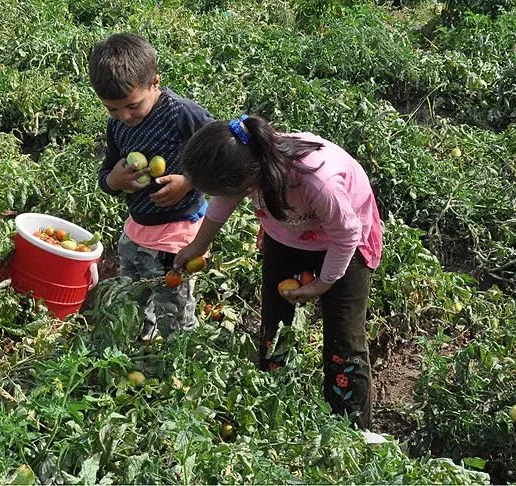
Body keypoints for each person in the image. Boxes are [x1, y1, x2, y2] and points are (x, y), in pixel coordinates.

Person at [173, 114, 383, 430]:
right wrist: (198, 246)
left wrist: (323, 284)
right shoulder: (246, 164)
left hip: (342, 244)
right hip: (286, 236)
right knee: (275, 324)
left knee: (344, 343)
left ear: (248, 180)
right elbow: (222, 200)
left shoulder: (315, 181)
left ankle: (352, 431)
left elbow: (347, 233)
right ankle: (274, 402)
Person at [88, 32, 213, 342]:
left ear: (154, 82)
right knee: (132, 299)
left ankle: (178, 365)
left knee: (173, 306)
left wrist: (189, 182)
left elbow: (222, 155)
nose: (124, 116)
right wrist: (114, 181)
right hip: (137, 228)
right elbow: (107, 174)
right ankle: (140, 349)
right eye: (112, 109)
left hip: (177, 233)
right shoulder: (117, 124)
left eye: (132, 106)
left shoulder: (182, 115)